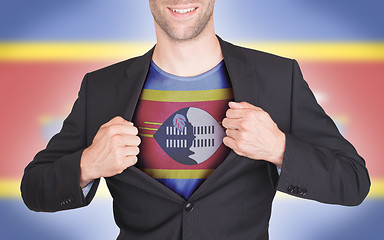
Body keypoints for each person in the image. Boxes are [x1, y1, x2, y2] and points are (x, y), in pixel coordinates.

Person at [21, 0, 370, 239]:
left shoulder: (279, 78)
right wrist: (87, 165)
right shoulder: (102, 87)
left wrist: (279, 148)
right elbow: (34, 188)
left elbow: (353, 181)